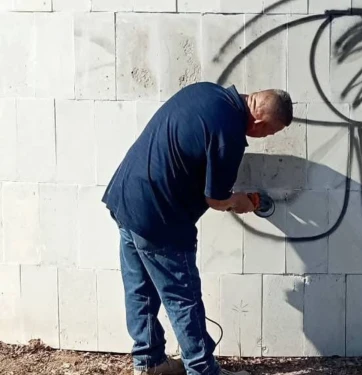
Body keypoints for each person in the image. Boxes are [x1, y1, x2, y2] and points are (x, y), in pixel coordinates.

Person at [101, 82, 293, 375]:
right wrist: (240, 201)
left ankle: (150, 363)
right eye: (270, 132)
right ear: (258, 120)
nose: (266, 137)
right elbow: (215, 198)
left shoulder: (207, 92)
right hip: (160, 217)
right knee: (183, 296)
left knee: (140, 288)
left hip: (126, 196)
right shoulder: (229, 134)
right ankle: (202, 370)